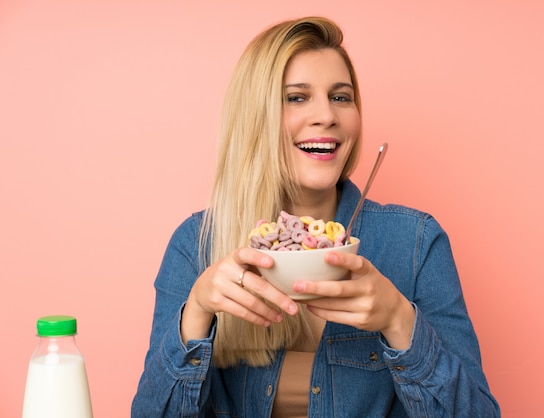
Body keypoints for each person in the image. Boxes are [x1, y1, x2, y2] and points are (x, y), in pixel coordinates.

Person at [131, 16, 500, 417]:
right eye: (297, 97)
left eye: (341, 97)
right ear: (255, 116)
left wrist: (398, 320)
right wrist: (197, 314)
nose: (327, 115)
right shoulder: (195, 245)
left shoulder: (415, 242)